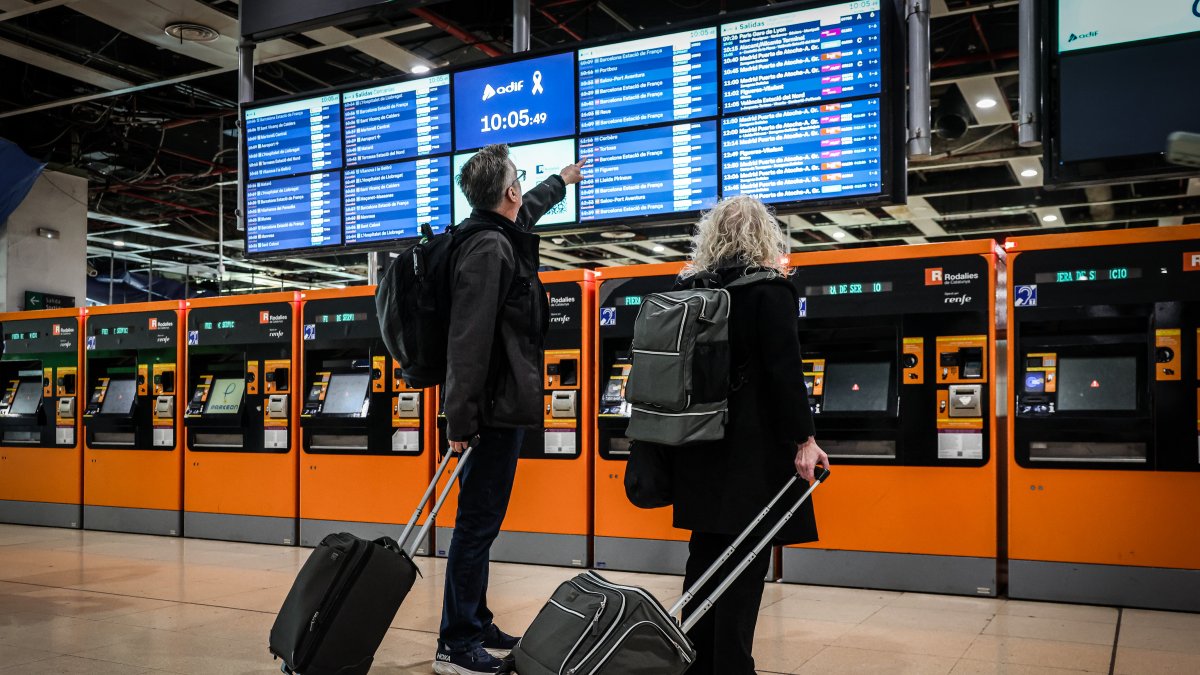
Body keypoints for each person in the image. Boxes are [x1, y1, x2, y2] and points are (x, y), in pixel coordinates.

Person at [435, 144, 587, 675]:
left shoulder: (495, 232)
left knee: (484, 522)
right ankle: (456, 644)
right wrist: (460, 421)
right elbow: (467, 342)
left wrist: (562, 181)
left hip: (496, 407)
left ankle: (474, 619)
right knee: (476, 525)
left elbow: (530, 210)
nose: (525, 186)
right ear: (508, 191)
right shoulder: (487, 251)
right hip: (489, 414)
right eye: (521, 179)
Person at [670, 195, 829, 675]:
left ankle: (694, 664)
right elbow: (785, 373)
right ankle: (733, 667)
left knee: (703, 559)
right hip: (751, 455)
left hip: (696, 446)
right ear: (763, 234)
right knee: (745, 567)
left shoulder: (689, 287)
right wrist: (805, 438)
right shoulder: (769, 290)